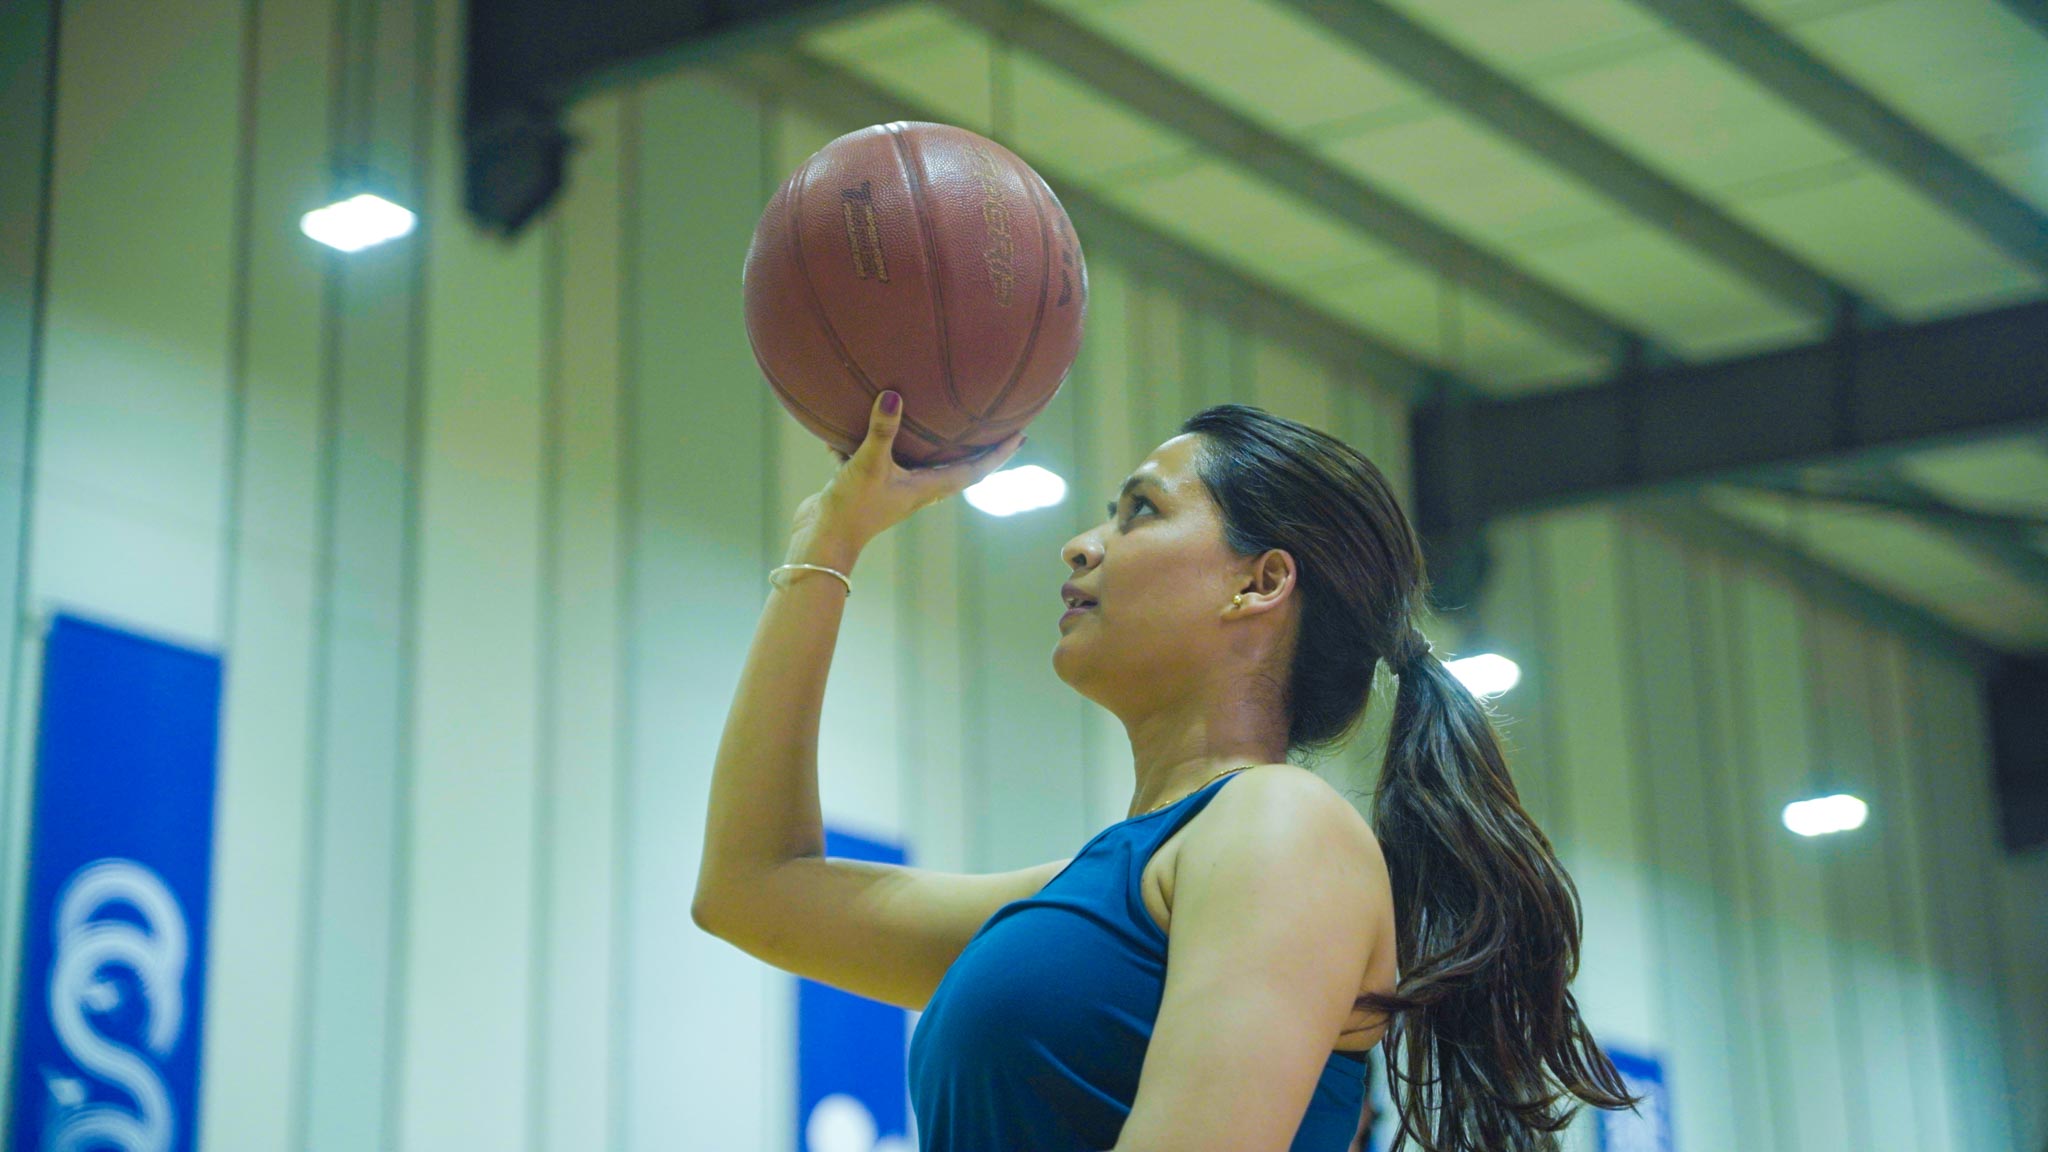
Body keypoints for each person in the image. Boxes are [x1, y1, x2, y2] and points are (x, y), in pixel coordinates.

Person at [693, 391, 1640, 1151]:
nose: (1083, 542)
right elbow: (752, 889)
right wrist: (826, 546)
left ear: (1258, 583)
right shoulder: (1106, 888)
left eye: (1139, 511)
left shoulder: (1281, 830)